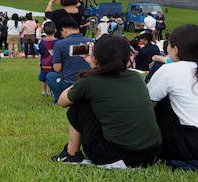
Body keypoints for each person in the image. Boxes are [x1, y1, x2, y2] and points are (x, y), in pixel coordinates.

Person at [55, 35, 161, 167]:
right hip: (151, 154)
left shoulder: (90, 82)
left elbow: (62, 101)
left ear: (96, 57)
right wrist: (95, 67)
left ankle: (71, 154)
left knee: (80, 104)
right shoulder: (136, 77)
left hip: (117, 156)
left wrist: (91, 72)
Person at [147, 24, 198, 164]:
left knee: (161, 101)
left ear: (175, 49)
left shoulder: (171, 70)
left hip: (191, 144)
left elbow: (146, 105)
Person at [45, 18, 92, 102]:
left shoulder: (60, 44)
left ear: (64, 30)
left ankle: (59, 98)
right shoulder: (91, 42)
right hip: (89, 82)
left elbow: (57, 68)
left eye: (61, 32)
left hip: (69, 83)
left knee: (50, 76)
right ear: (77, 29)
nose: (61, 35)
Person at [37, 21, 57, 97]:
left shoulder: (42, 42)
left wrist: (40, 62)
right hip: (53, 62)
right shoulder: (58, 42)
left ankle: (43, 91)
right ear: (55, 30)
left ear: (44, 31)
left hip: (44, 62)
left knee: (43, 76)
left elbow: (41, 53)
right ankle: (49, 91)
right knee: (51, 76)